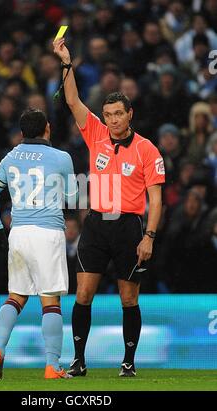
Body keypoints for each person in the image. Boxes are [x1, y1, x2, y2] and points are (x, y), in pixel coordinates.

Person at [53, 38, 165, 377]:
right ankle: (78, 361)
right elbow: (71, 100)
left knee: (129, 299)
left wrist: (149, 236)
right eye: (108, 115)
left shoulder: (147, 150)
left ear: (130, 114)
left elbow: (156, 199)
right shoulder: (96, 135)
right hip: (97, 225)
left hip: (130, 227)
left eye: (119, 114)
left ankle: (128, 363)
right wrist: (66, 63)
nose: (113, 120)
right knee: (83, 294)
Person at [0, 108, 78, 379]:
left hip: (19, 233)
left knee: (16, 297)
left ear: (22, 132)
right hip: (48, 233)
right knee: (51, 302)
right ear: (47, 128)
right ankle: (52, 366)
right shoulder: (61, 158)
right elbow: (72, 198)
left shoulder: (11, 157)